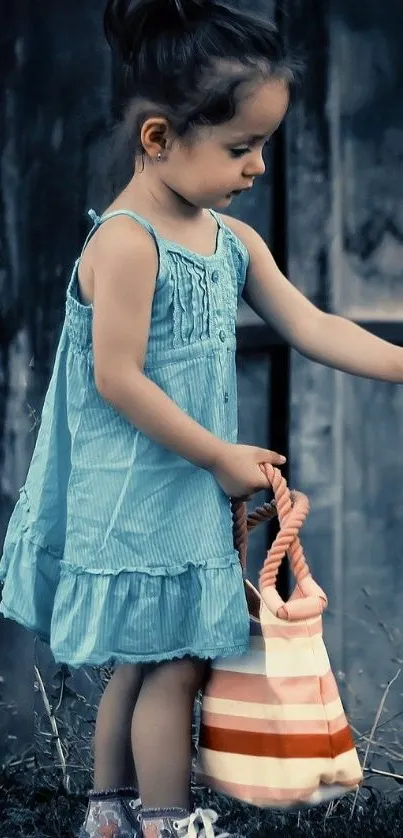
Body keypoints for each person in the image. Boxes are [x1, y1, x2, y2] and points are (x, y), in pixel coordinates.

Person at [1, 1, 403, 837]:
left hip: (180, 486)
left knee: (141, 664)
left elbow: (312, 324)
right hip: (138, 490)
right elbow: (115, 379)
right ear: (157, 139)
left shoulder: (231, 242)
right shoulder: (125, 241)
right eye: (239, 147)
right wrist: (219, 455)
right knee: (174, 661)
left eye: (263, 144)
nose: (257, 167)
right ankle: (165, 818)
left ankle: (106, 815)